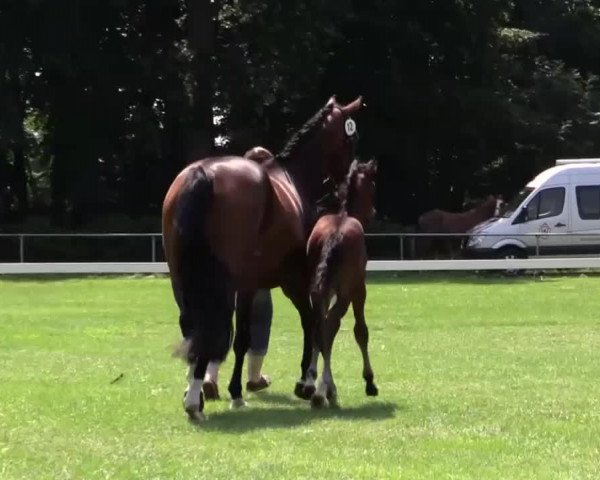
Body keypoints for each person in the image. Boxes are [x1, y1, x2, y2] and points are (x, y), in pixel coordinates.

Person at [202, 146, 275, 400]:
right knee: (260, 317)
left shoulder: (229, 195)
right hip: (256, 272)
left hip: (223, 271)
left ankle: (211, 375)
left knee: (221, 320)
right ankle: (254, 378)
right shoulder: (272, 196)